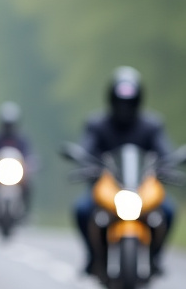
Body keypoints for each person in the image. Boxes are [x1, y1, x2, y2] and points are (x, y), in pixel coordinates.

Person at [73, 67, 177, 275]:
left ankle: (155, 256)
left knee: (168, 211)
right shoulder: (97, 125)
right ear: (111, 100)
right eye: (120, 102)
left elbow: (164, 152)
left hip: (142, 189)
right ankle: (93, 256)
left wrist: (167, 166)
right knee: (82, 210)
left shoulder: (151, 126)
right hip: (107, 188)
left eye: (129, 102)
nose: (124, 108)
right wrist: (87, 165)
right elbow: (86, 149)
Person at [0, 101, 34, 209]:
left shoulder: (22, 139)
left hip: (17, 172)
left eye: (10, 125)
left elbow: (29, 155)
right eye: (6, 124)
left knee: (28, 187)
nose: (8, 127)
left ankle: (27, 212)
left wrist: (31, 164)